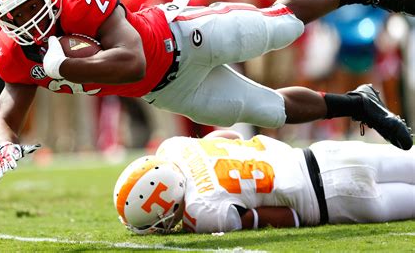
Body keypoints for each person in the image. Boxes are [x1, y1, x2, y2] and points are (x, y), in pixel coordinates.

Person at [0, 0, 414, 179]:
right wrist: (4, 145)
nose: (26, 20)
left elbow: (132, 60)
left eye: (30, 6)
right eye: (15, 15)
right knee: (270, 110)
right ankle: (360, 105)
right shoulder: (12, 52)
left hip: (182, 38)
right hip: (168, 91)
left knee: (281, 27)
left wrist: (68, 68)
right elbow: (7, 116)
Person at [113, 129, 415, 234]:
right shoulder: (174, 148)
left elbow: (291, 218)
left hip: (336, 200)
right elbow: (230, 138)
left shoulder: (199, 212)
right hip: (325, 154)